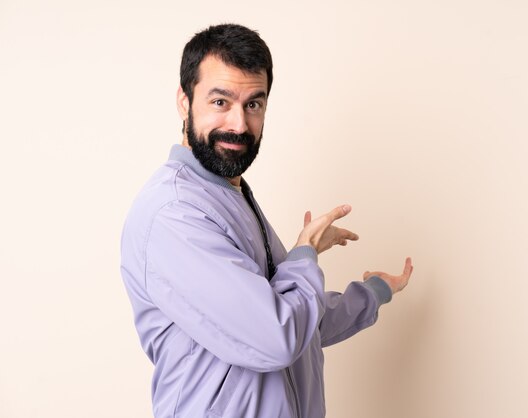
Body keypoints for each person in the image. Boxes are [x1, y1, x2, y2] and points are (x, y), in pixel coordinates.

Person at [120, 23, 413, 418]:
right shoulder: (175, 213)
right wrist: (304, 254)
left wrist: (374, 293)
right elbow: (275, 337)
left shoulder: (229, 195)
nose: (239, 125)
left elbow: (297, 318)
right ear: (185, 103)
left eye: (253, 104)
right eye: (220, 102)